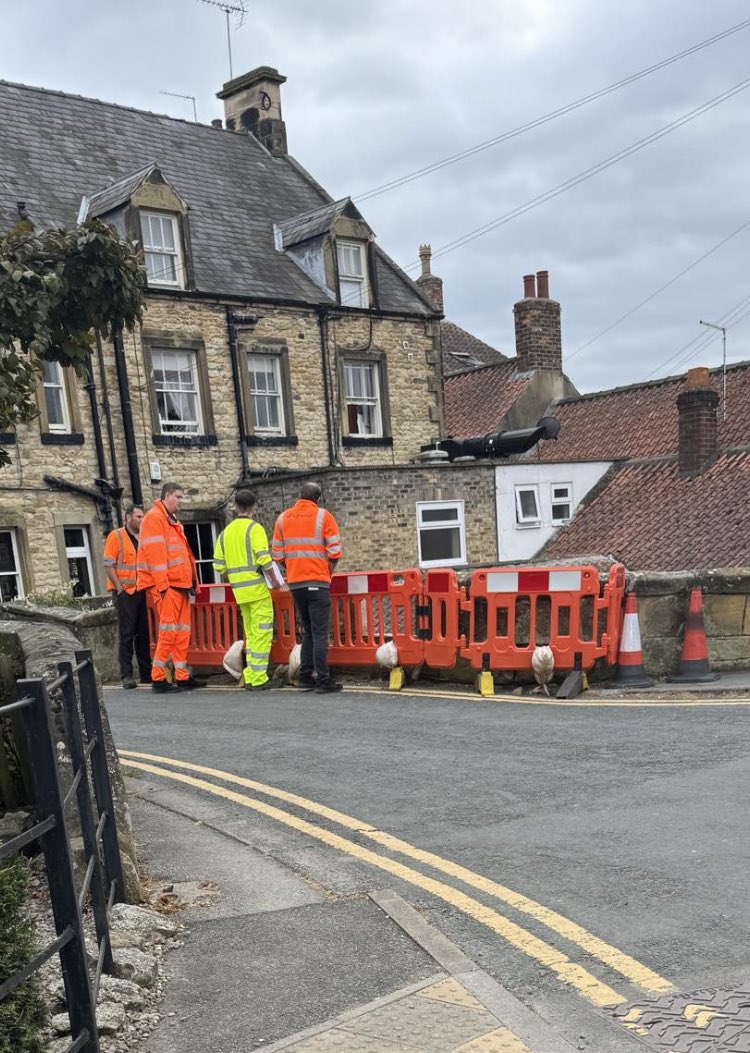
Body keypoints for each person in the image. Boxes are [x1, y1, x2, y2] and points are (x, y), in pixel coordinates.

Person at [272, 481, 342, 693]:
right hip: (317, 581)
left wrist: (293, 567)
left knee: (309, 633)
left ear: (300, 496)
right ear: (318, 498)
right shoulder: (323, 516)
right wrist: (326, 572)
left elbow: (277, 554)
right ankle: (323, 680)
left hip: (295, 584)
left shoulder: (283, 518)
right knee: (320, 633)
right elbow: (335, 550)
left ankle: (305, 677)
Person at [212, 489, 284, 691]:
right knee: (262, 634)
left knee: (252, 634)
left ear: (235, 506)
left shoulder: (225, 533)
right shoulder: (255, 529)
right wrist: (276, 581)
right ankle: (258, 677)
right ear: (254, 507)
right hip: (258, 590)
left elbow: (219, 566)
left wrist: (235, 578)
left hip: (240, 593)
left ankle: (252, 675)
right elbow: (264, 560)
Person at [136, 482, 203, 693]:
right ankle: (158, 678)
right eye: (178, 496)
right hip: (167, 585)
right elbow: (155, 555)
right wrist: (163, 587)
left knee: (182, 632)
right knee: (168, 632)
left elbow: (181, 555)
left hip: (179, 584)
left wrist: (192, 583)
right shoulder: (155, 518)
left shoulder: (170, 520)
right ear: (166, 496)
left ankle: (182, 676)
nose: (181, 501)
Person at [103, 504, 151, 689]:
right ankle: (127, 676)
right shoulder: (116, 536)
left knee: (143, 634)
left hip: (141, 590)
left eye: (143, 517)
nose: (142, 520)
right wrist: (119, 589)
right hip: (125, 593)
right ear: (128, 517)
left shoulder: (144, 537)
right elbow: (108, 564)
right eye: (139, 516)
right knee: (127, 635)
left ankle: (147, 674)